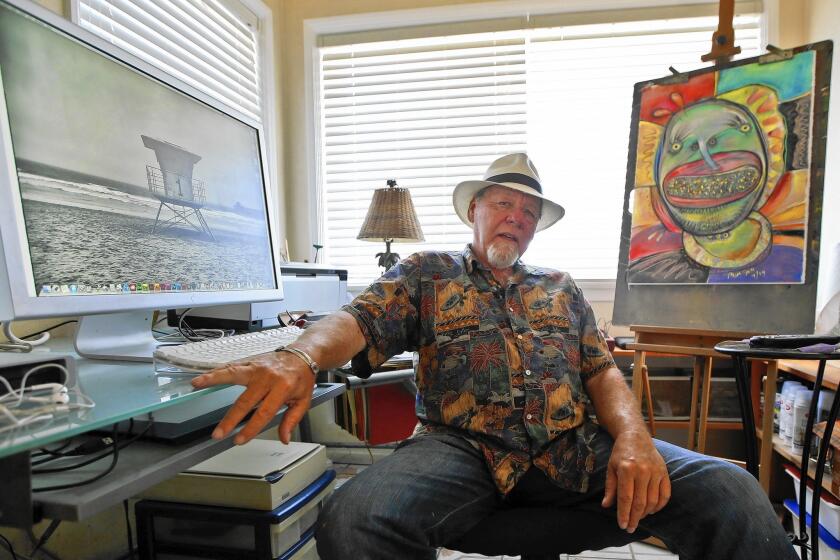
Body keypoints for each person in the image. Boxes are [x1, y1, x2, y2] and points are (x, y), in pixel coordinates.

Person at [192, 153, 797, 560]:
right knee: (355, 517)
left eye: (529, 213)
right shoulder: (427, 272)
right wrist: (300, 357)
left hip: (576, 447)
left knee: (732, 490)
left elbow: (601, 370)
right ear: (474, 211)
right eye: (503, 205)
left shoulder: (561, 285)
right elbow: (357, 320)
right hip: (461, 449)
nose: (516, 218)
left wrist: (635, 438)